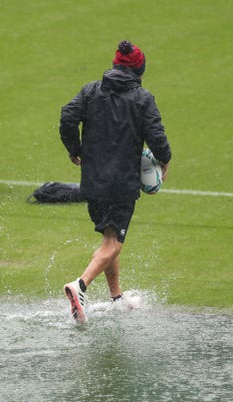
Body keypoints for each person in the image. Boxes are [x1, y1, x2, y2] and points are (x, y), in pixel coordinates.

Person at [59, 40, 172, 323]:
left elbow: (67, 116)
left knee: (109, 236)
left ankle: (117, 298)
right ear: (139, 71)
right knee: (114, 244)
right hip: (122, 182)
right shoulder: (143, 99)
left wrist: (74, 149)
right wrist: (165, 160)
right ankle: (80, 286)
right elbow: (156, 136)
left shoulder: (91, 91)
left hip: (93, 179)